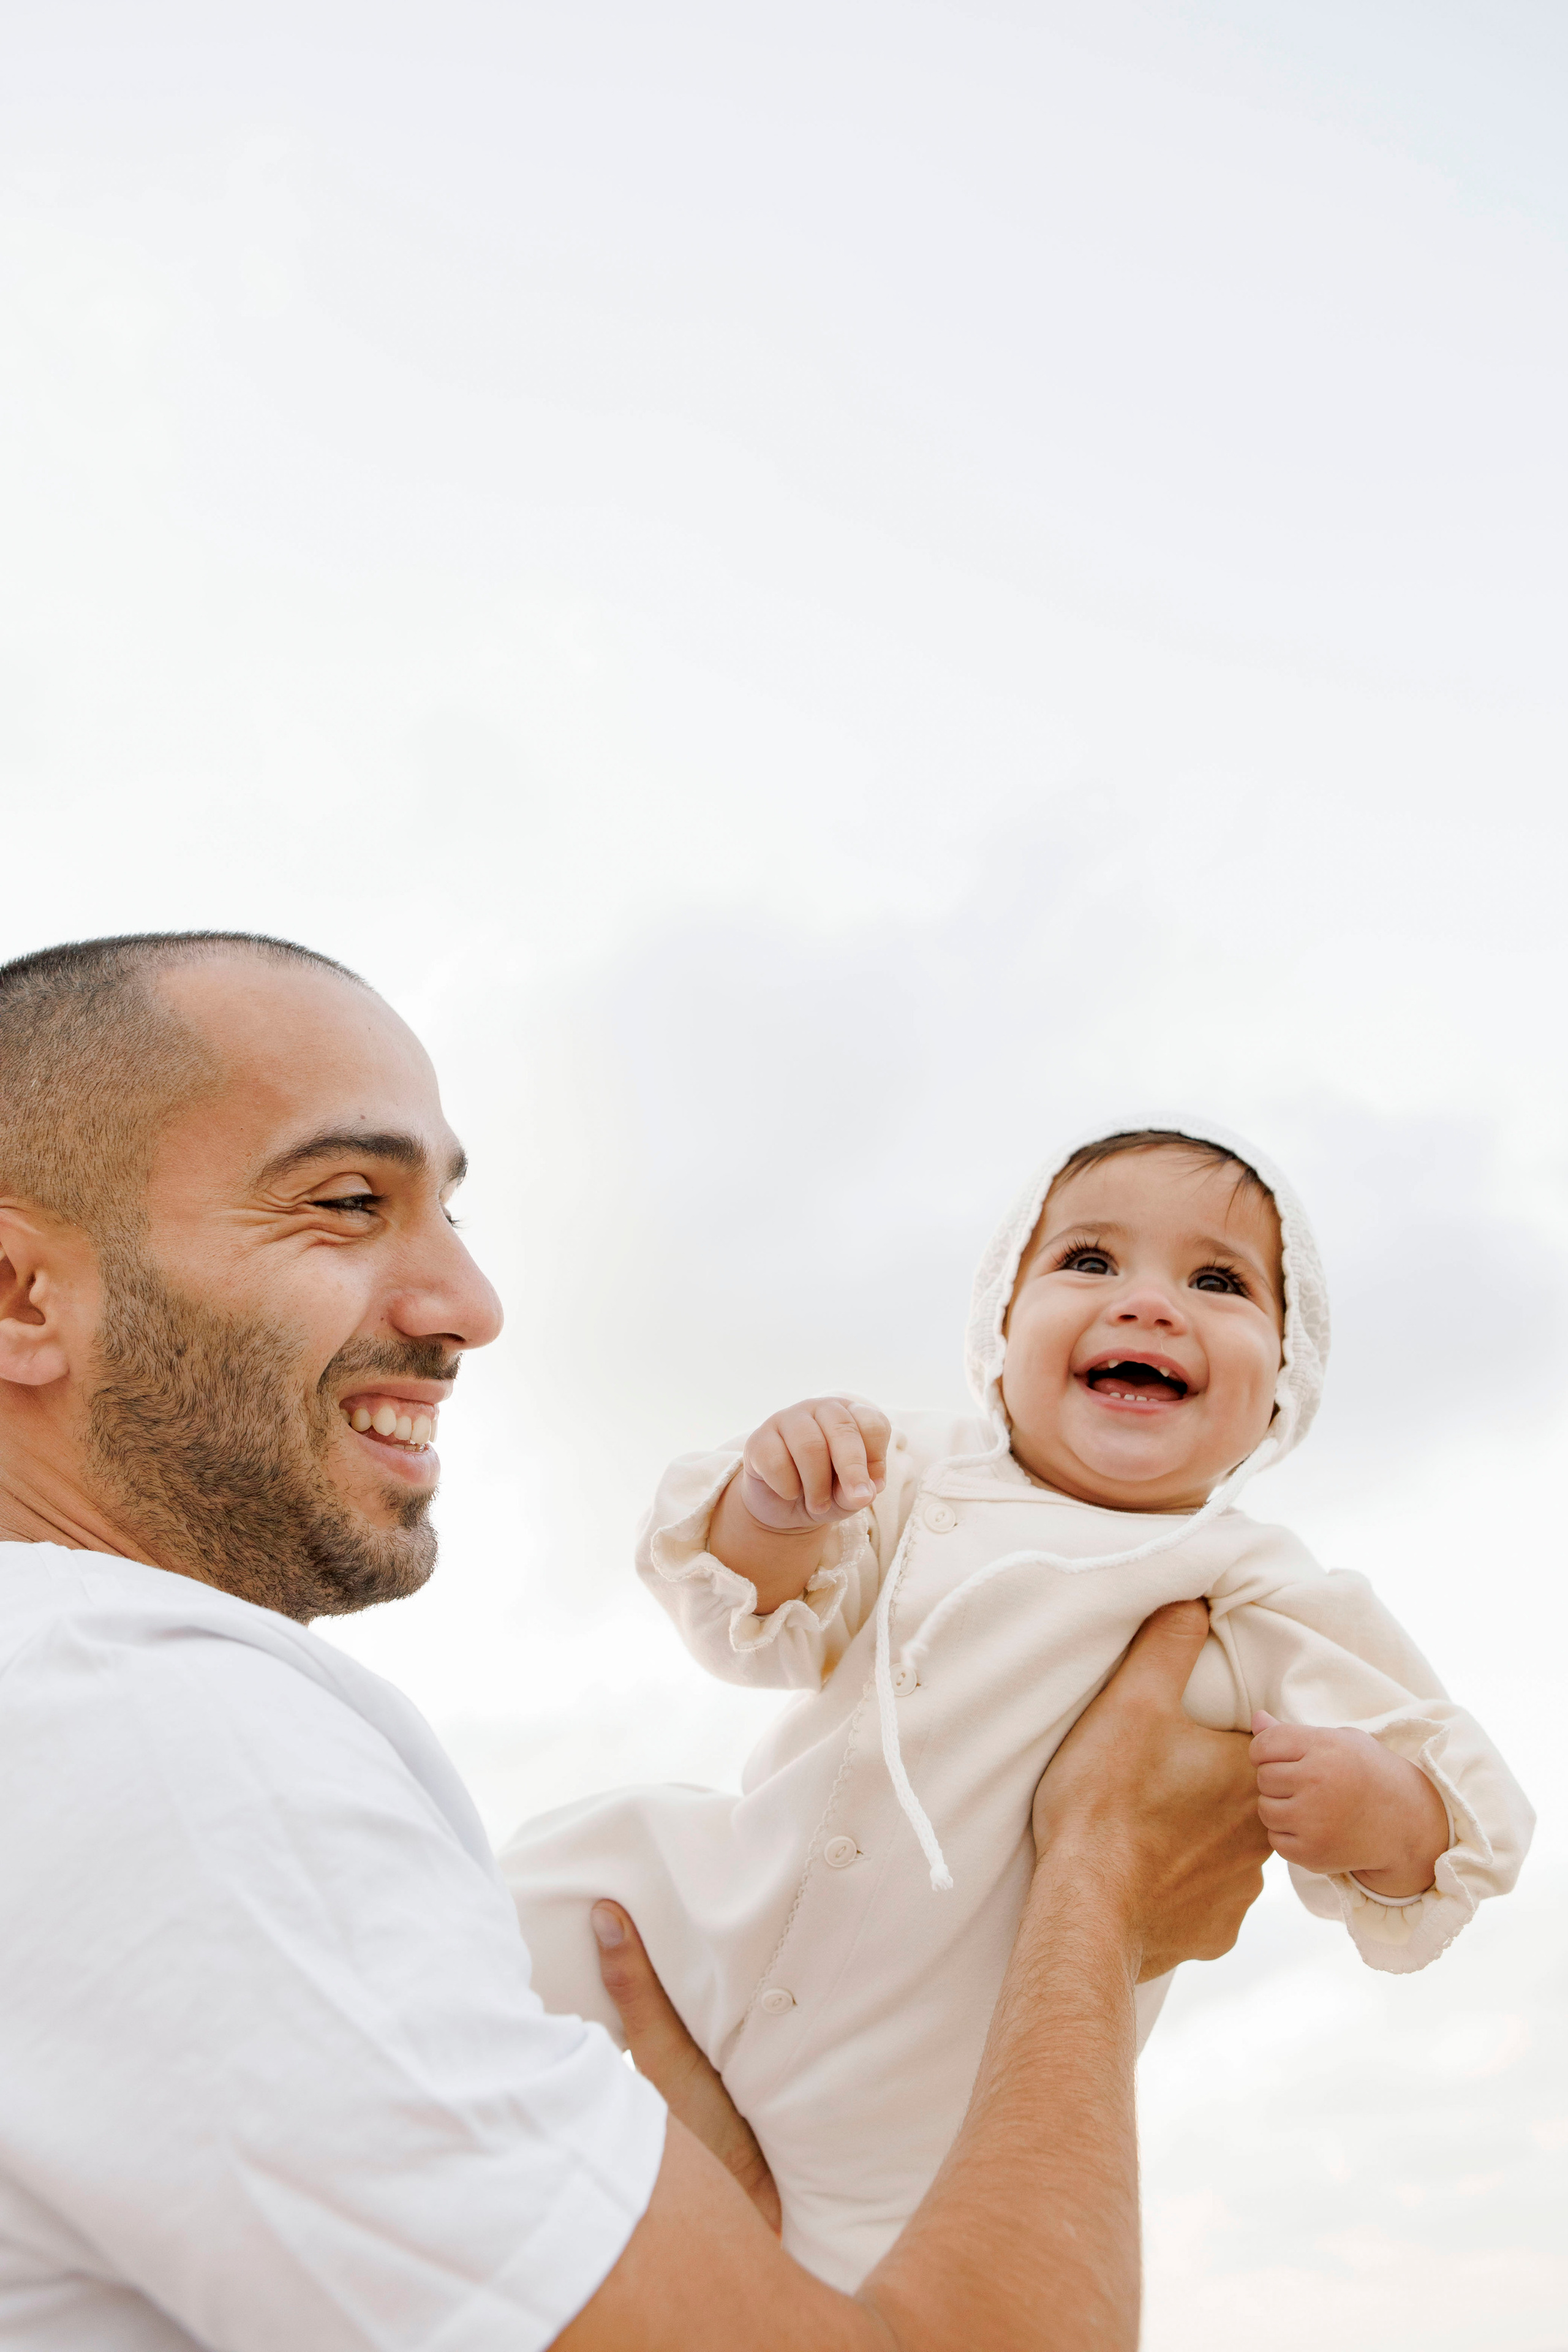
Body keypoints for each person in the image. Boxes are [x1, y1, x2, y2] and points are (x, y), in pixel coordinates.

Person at [0, 931, 1269, 2352]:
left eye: (450, 1217)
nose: (470, 1308)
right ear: (20, 1295)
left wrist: (725, 2242)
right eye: (348, 1203)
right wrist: (1096, 1893)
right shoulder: (151, 1737)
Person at [502, 1123, 1535, 2286]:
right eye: (1090, 1261)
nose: (1149, 1306)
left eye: (1217, 1281)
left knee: (888, 2295)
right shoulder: (912, 1473)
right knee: (498, 1926)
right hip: (715, 1917)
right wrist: (774, 1508)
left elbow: (1460, 1801)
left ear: (1286, 1386)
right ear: (999, 1328)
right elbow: (760, 1623)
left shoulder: (1254, 1582)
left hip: (931, 2089)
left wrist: (1380, 1811)